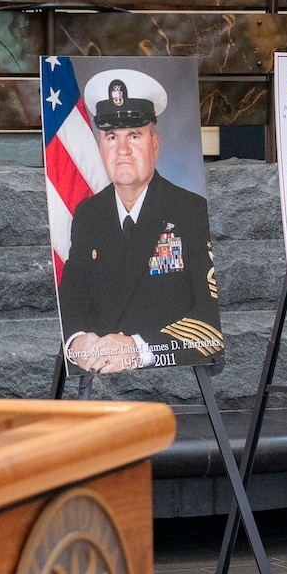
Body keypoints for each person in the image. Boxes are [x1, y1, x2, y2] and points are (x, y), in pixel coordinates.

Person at [58, 68, 223, 373]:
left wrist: (140, 347)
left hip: (169, 369)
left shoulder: (191, 211)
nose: (122, 150)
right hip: (100, 368)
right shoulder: (88, 215)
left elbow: (211, 318)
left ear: (155, 144)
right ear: (100, 147)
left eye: (134, 135)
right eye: (111, 137)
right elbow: (71, 299)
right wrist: (78, 341)